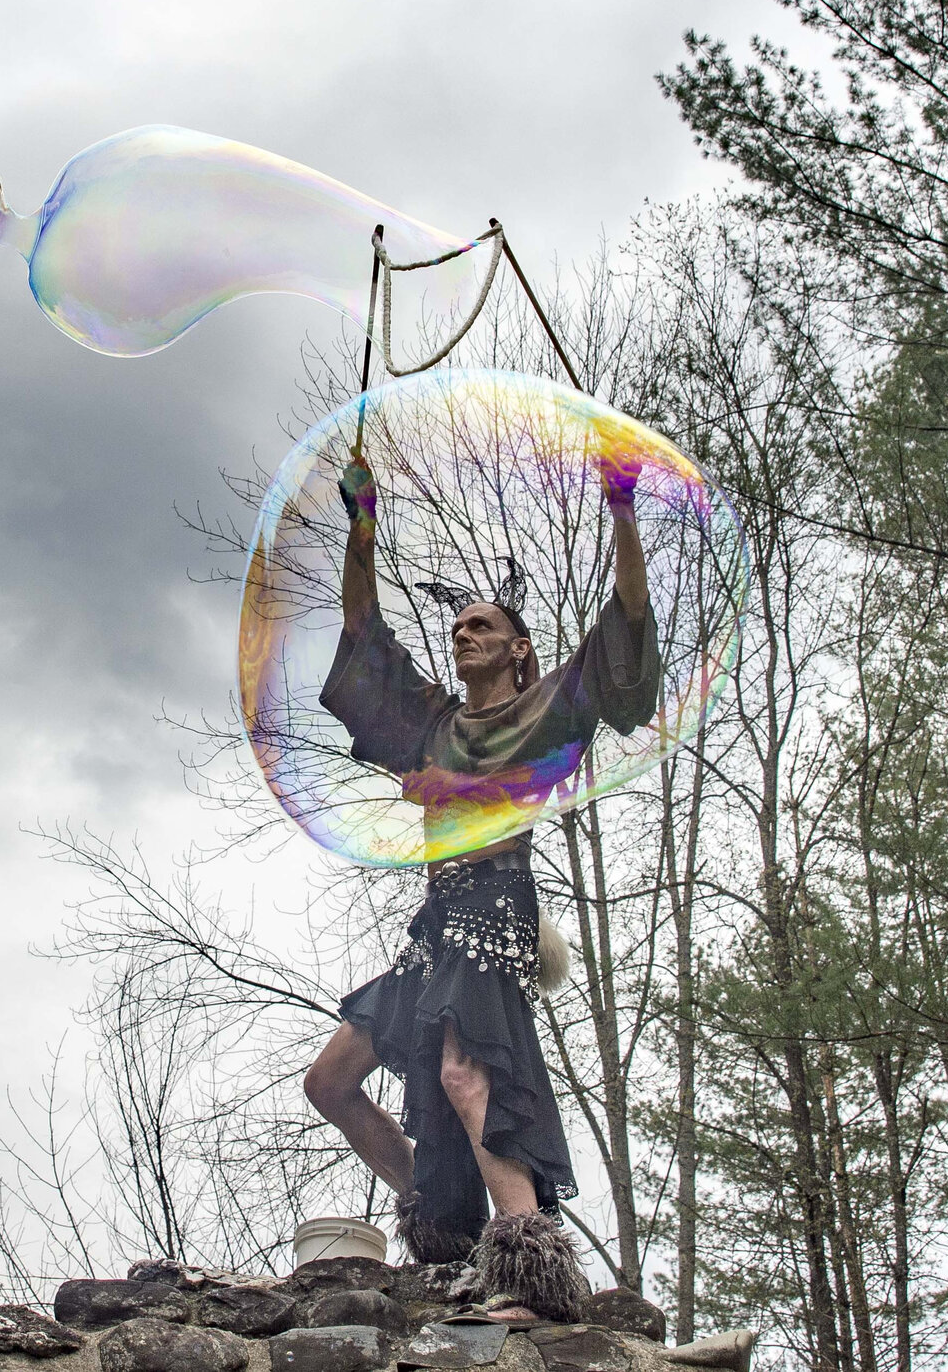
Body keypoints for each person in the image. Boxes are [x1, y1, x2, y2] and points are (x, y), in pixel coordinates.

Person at [301, 440, 660, 1321]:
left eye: (482, 628)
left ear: (518, 649)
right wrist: (362, 527)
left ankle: (531, 1272)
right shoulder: (430, 723)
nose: (464, 635)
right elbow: (364, 639)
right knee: (332, 1081)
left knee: (467, 1074)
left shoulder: (544, 712)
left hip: (497, 906)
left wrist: (620, 509)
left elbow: (625, 627)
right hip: (435, 918)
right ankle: (438, 1214)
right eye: (458, 628)